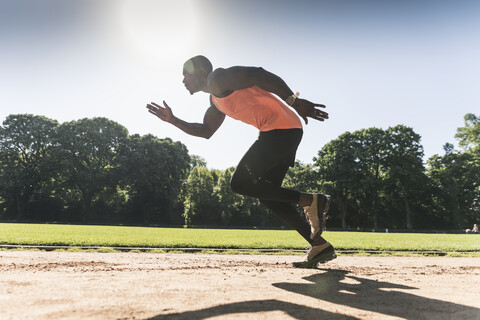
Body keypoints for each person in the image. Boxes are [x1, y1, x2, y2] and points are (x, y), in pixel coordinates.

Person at [146, 55, 334, 268]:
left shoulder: (218, 78)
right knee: (267, 194)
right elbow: (207, 131)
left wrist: (293, 100)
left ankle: (310, 201)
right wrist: (173, 120)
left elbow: (258, 74)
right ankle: (318, 245)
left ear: (199, 71)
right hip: (283, 131)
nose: (183, 80)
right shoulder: (215, 99)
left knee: (239, 183)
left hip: (280, 131)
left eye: (185, 74)